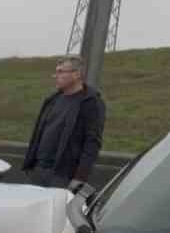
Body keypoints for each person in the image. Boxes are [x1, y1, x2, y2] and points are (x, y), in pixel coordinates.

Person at [18, 56, 106, 189]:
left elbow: (92, 143)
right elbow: (38, 134)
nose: (55, 76)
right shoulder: (53, 99)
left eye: (60, 72)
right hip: (38, 170)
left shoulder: (90, 103)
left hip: (63, 175)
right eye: (56, 72)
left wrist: (80, 177)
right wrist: (30, 165)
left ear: (76, 74)